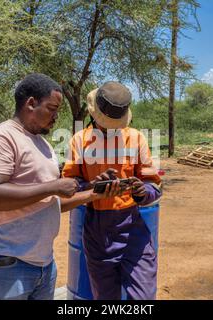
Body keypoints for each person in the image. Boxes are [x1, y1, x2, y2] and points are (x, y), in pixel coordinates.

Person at [0, 73, 121, 300]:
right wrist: (53, 186)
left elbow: (49, 202)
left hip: (42, 264)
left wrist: (93, 192)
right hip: (6, 262)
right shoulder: (2, 138)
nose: (55, 116)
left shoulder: (42, 144)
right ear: (31, 103)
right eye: (52, 108)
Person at [62, 81, 162, 300]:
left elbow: (154, 185)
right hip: (98, 233)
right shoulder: (79, 141)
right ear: (96, 115)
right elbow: (68, 185)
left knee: (143, 297)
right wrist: (92, 186)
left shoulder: (137, 138)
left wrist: (141, 191)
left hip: (134, 229)